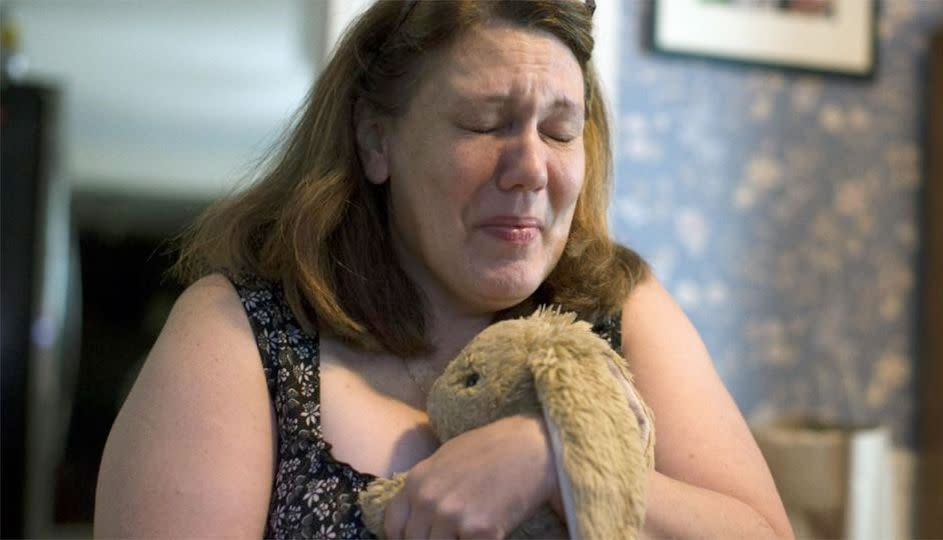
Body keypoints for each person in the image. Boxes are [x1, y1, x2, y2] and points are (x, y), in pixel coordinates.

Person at [94, 1, 793, 538]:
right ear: (376, 141)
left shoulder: (620, 306)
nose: (531, 170)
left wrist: (557, 463)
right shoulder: (242, 333)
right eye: (485, 123)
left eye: (559, 130)